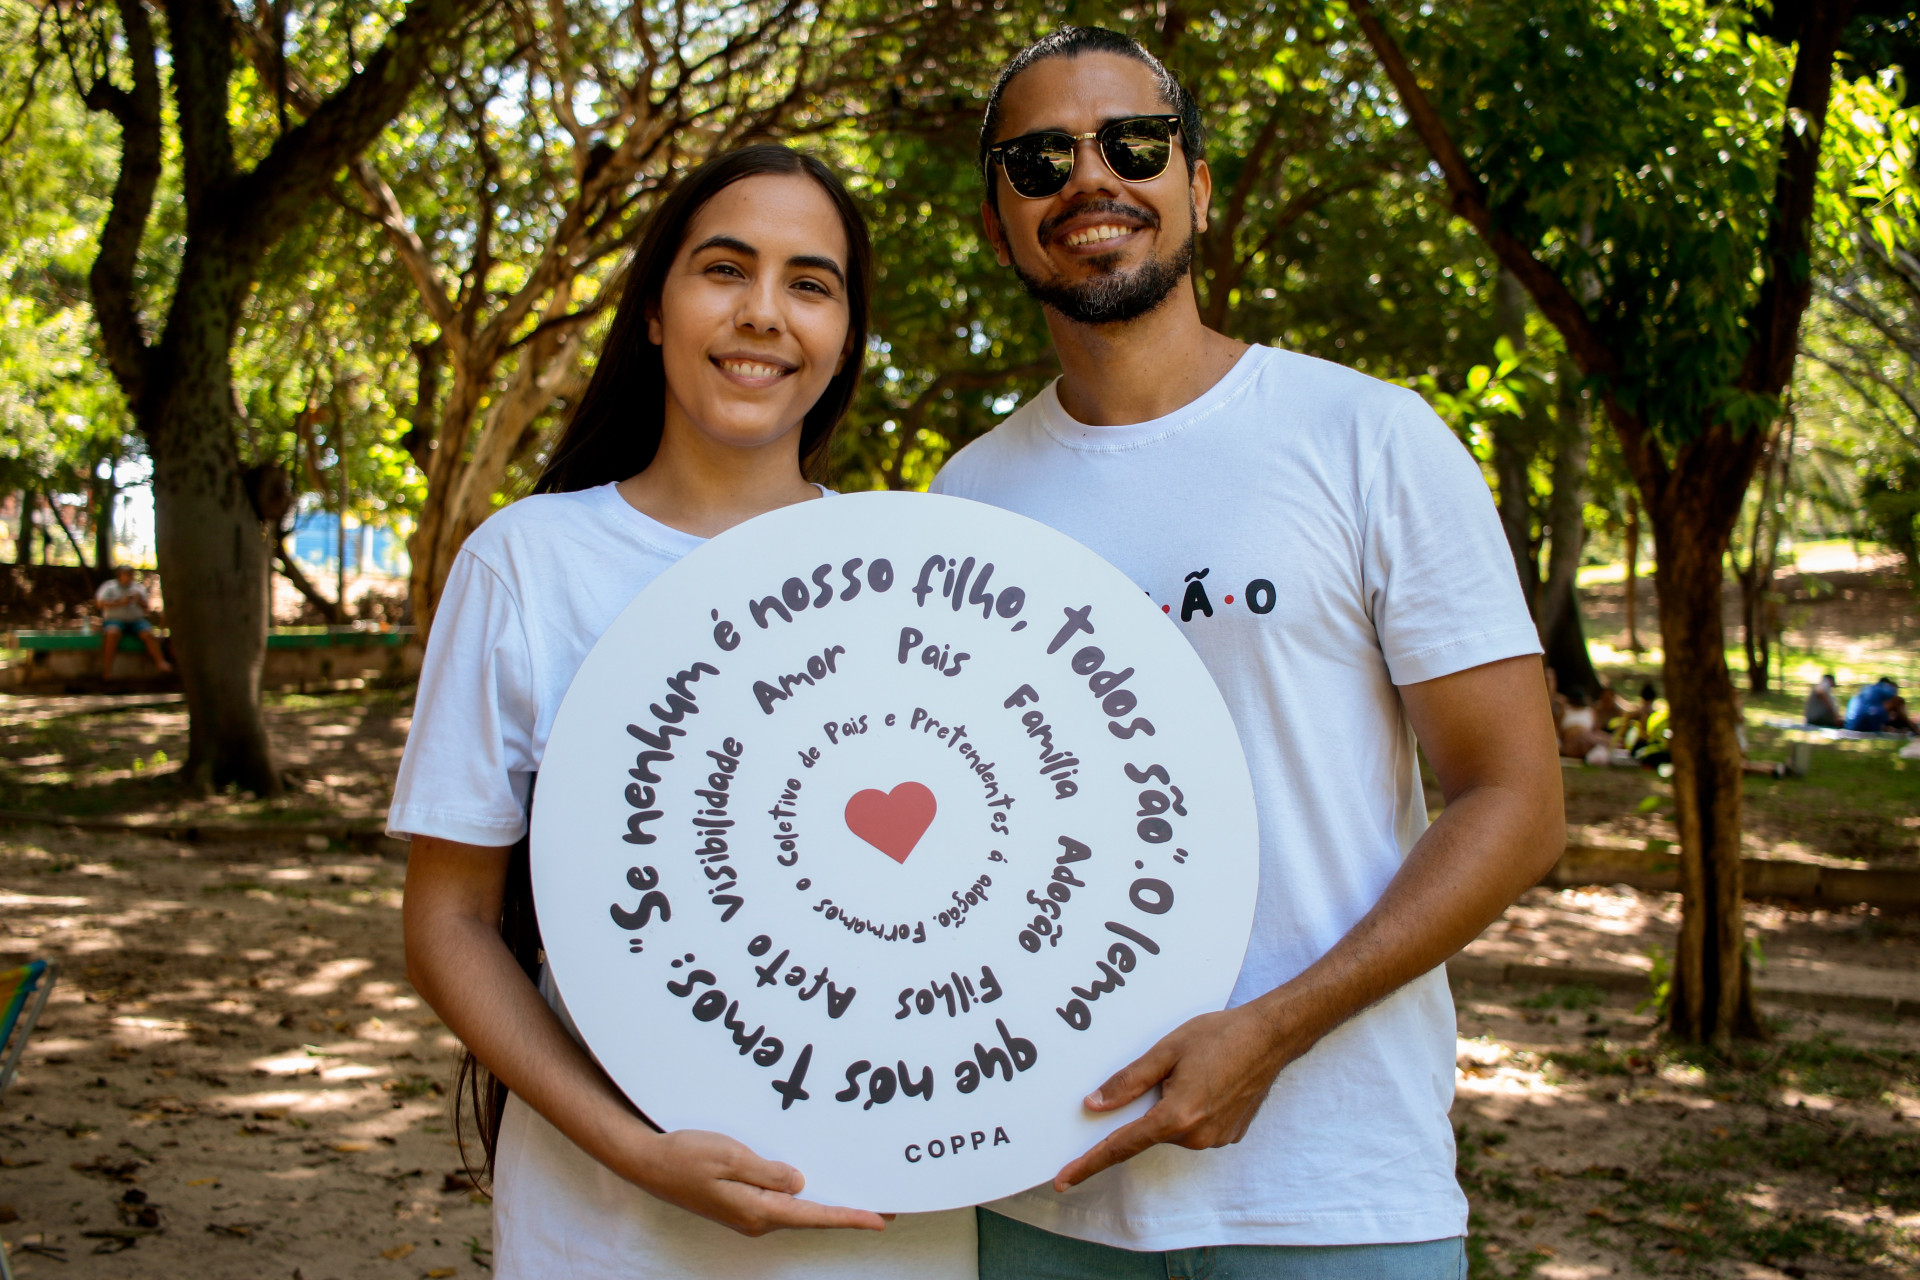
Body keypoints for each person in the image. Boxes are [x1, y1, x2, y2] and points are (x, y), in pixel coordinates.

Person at [929, 27, 1564, 1278]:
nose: (1091, 179)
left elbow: (1520, 803)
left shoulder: (1369, 437)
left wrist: (1270, 1031)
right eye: (1041, 157)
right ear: (999, 222)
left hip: (1331, 1195)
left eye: (1136, 143)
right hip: (1042, 1193)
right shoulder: (967, 497)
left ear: (1198, 186)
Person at [389, 146, 974, 1279]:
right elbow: (448, 923)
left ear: (846, 333)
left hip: (886, 1223)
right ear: (654, 310)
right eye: (724, 268)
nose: (764, 313)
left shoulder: (919, 573)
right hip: (602, 1226)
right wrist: (634, 1148)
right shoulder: (528, 561)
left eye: (810, 282)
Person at [93, 565, 172, 679]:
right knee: (112, 633)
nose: (129, 577)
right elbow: (99, 603)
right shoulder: (109, 587)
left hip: (136, 620)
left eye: (131, 575)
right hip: (114, 620)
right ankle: (107, 670)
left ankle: (161, 662)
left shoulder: (138, 588)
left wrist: (138, 600)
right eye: (127, 575)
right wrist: (119, 603)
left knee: (148, 633)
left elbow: (147, 608)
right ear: (120, 575)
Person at [1845, 677, 1915, 734]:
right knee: (1897, 701)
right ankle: (1914, 729)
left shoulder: (1865, 690)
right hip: (1864, 723)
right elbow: (1898, 701)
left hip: (1851, 726)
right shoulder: (1886, 688)